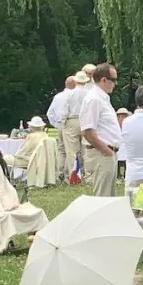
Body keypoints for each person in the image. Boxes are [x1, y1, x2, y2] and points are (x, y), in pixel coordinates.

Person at [80, 62, 122, 197]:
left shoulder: (103, 98)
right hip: (101, 153)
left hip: (108, 152)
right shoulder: (94, 99)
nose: (115, 84)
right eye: (113, 80)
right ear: (104, 80)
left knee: (109, 195)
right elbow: (87, 131)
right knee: (102, 196)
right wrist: (106, 150)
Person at [59, 71, 91, 181]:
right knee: (86, 150)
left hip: (72, 120)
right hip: (85, 121)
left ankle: (73, 176)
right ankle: (88, 175)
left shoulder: (70, 94)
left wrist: (63, 123)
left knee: (71, 151)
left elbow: (64, 110)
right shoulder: (89, 94)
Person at [46, 76, 77, 176]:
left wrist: (55, 124)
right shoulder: (75, 96)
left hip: (59, 124)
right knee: (71, 149)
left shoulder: (58, 96)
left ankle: (60, 172)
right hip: (70, 123)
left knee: (61, 149)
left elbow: (50, 113)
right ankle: (70, 173)